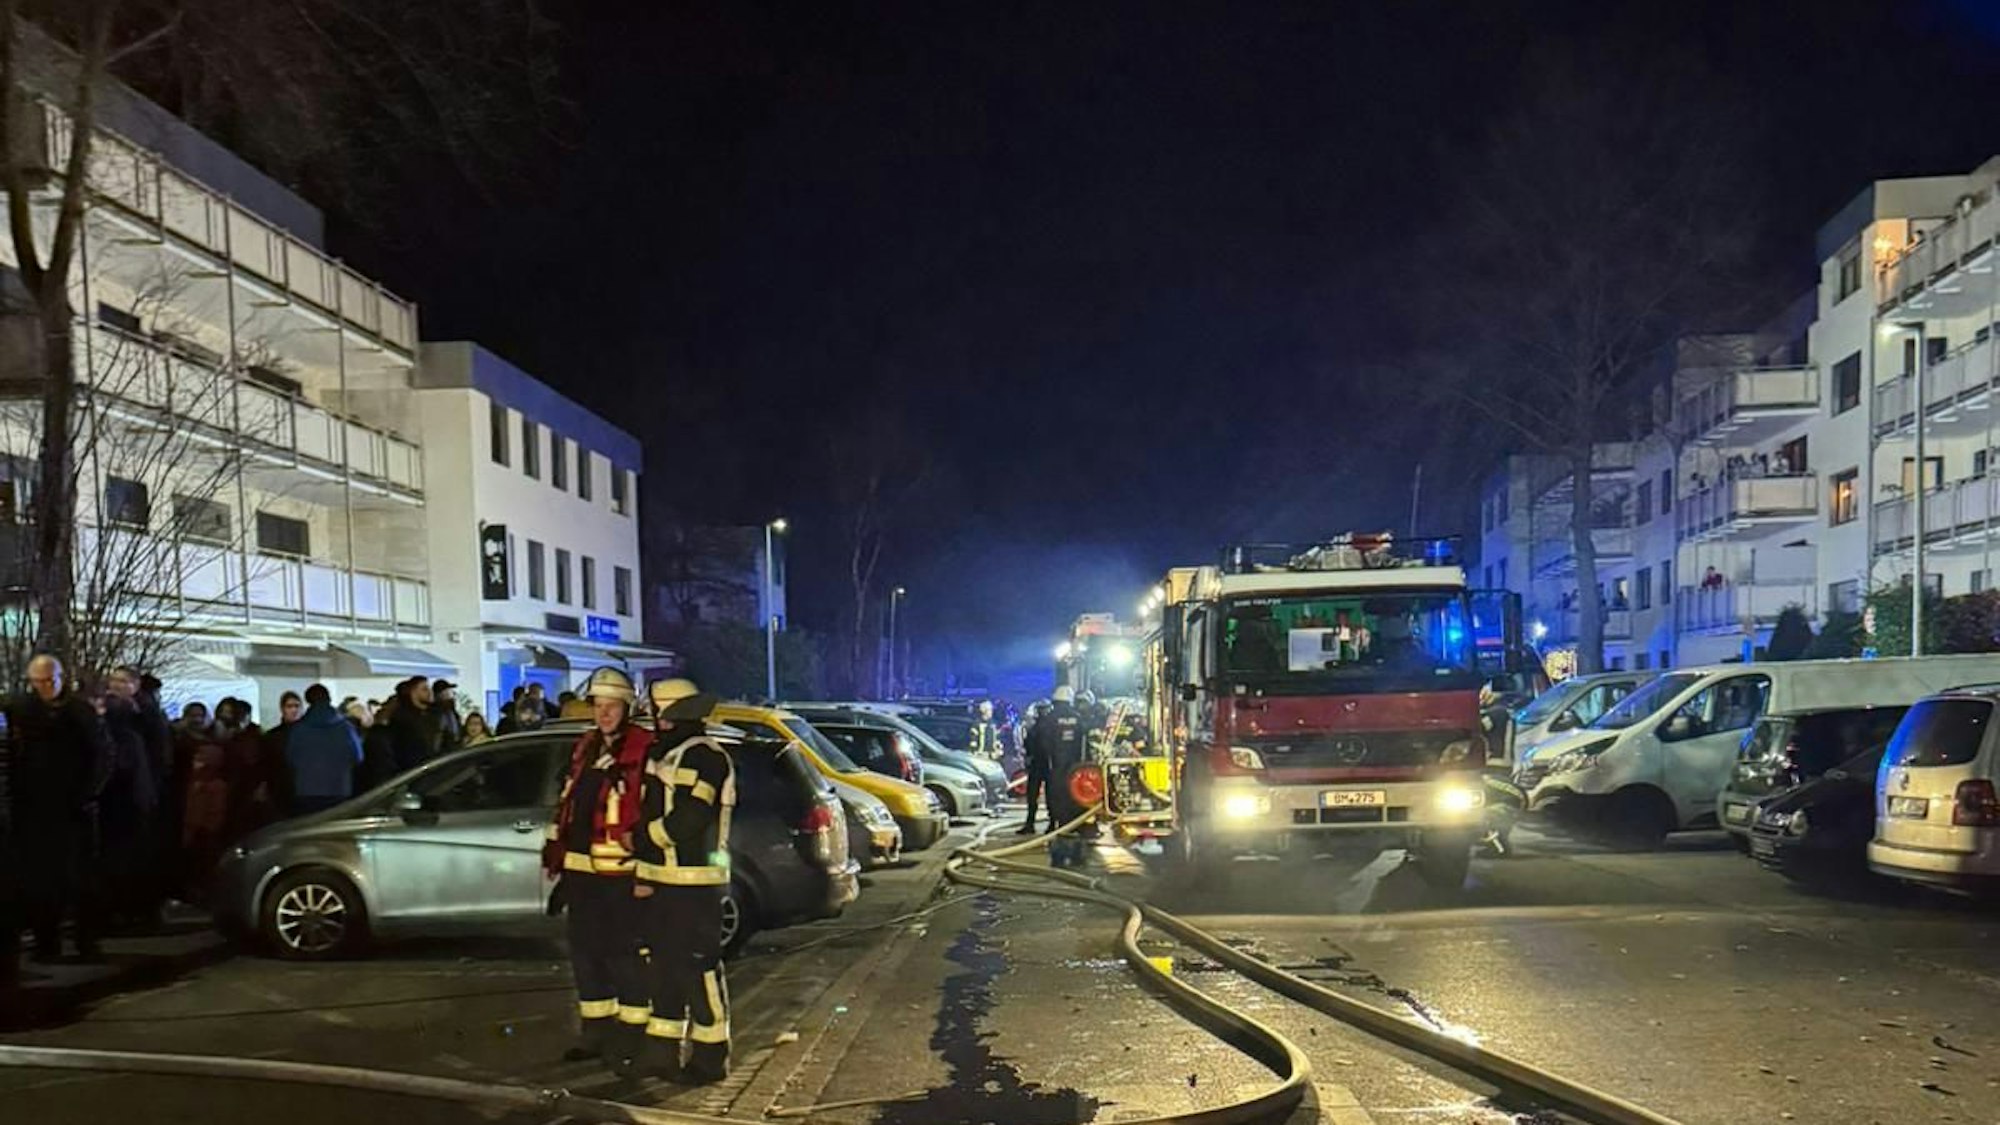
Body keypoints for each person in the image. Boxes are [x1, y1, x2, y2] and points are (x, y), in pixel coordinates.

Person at [544, 667, 652, 1066]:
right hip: (581, 871)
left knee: (623, 953)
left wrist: (644, 873)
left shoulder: (643, 748)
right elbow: (572, 808)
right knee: (585, 953)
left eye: (612, 707)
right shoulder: (586, 747)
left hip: (621, 873)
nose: (604, 714)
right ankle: (595, 1031)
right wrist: (562, 871)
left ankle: (633, 1034)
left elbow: (645, 812)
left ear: (628, 708)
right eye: (598, 706)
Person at [630, 677, 735, 1082]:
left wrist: (643, 839)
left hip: (696, 886)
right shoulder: (668, 753)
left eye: (657, 709)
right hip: (663, 881)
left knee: (698, 970)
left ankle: (710, 1060)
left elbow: (692, 816)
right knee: (663, 970)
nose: (653, 716)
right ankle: (661, 1054)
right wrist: (644, 869)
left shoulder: (705, 755)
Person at [6, 656, 113, 962]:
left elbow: (103, 756)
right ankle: (46, 943)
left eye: (49, 681)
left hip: (75, 808)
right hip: (36, 811)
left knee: (83, 881)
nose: (44, 688)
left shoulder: (81, 712)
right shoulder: (21, 711)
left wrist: (87, 794)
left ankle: (86, 941)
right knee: (42, 881)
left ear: (61, 678)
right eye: (38, 682)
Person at [98, 669, 162, 929]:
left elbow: (159, 754)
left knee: (132, 856)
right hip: (120, 796)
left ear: (135, 685)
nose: (117, 686)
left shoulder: (143, 715)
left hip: (134, 795)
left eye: (123, 681)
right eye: (114, 681)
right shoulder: (114, 714)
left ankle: (136, 910)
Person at [287, 684, 365, 816]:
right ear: (328, 699)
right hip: (340, 789)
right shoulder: (346, 728)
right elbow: (358, 757)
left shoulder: (299, 730)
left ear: (308, 701)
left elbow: (291, 758)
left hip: (307, 790)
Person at [1018, 686, 1084, 835]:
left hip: (1046, 763)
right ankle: (1059, 823)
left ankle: (1044, 824)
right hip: (1067, 765)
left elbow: (1041, 743)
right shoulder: (1077, 718)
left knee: (1046, 794)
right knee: (1059, 794)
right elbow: (1081, 742)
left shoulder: (1049, 720)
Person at [389, 677, 440, 774]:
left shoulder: (433, 714)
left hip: (434, 767)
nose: (429, 693)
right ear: (413, 692)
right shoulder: (402, 717)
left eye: (429, 689)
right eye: (424, 689)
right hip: (414, 770)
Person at [431, 680, 463, 752]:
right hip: (443, 753)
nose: (451, 695)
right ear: (439, 694)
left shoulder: (452, 711)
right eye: (447, 692)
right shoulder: (435, 713)